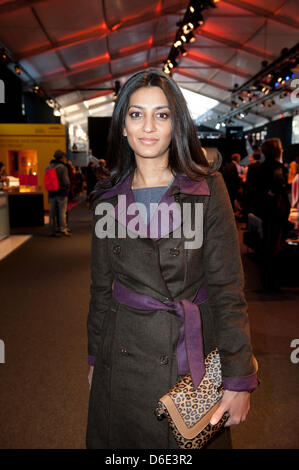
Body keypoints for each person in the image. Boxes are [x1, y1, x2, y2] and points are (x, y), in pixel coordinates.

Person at [86, 70, 258, 450]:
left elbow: (228, 288)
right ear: (123, 125)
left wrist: (238, 379)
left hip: (190, 359)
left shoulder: (207, 188)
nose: (148, 126)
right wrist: (96, 359)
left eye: (162, 115)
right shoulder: (108, 199)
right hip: (122, 359)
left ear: (176, 123)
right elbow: (101, 289)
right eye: (136, 114)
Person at [256, 138, 290, 289]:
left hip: (265, 210)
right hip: (276, 211)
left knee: (268, 243)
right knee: (274, 243)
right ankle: (271, 280)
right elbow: (278, 188)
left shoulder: (260, 168)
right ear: (277, 151)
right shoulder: (279, 168)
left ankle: (266, 278)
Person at [46, 150, 71, 237]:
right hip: (61, 192)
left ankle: (52, 230)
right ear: (62, 157)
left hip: (51, 192)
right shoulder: (62, 167)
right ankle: (63, 229)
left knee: (52, 212)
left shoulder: (48, 166)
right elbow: (66, 180)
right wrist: (68, 187)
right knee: (62, 212)